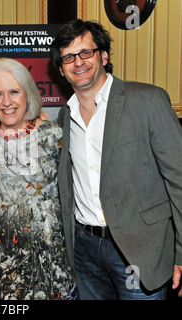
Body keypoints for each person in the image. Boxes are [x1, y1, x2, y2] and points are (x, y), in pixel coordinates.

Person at [50, 19, 182, 300]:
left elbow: (179, 183)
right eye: (69, 57)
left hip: (139, 250)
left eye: (87, 52)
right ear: (61, 69)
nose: (79, 62)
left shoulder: (147, 101)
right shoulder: (64, 117)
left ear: (104, 56)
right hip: (85, 251)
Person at [0, 58, 75, 300]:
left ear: (27, 94)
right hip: (2, 251)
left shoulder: (54, 136)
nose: (7, 102)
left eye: (14, 92)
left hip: (49, 249)